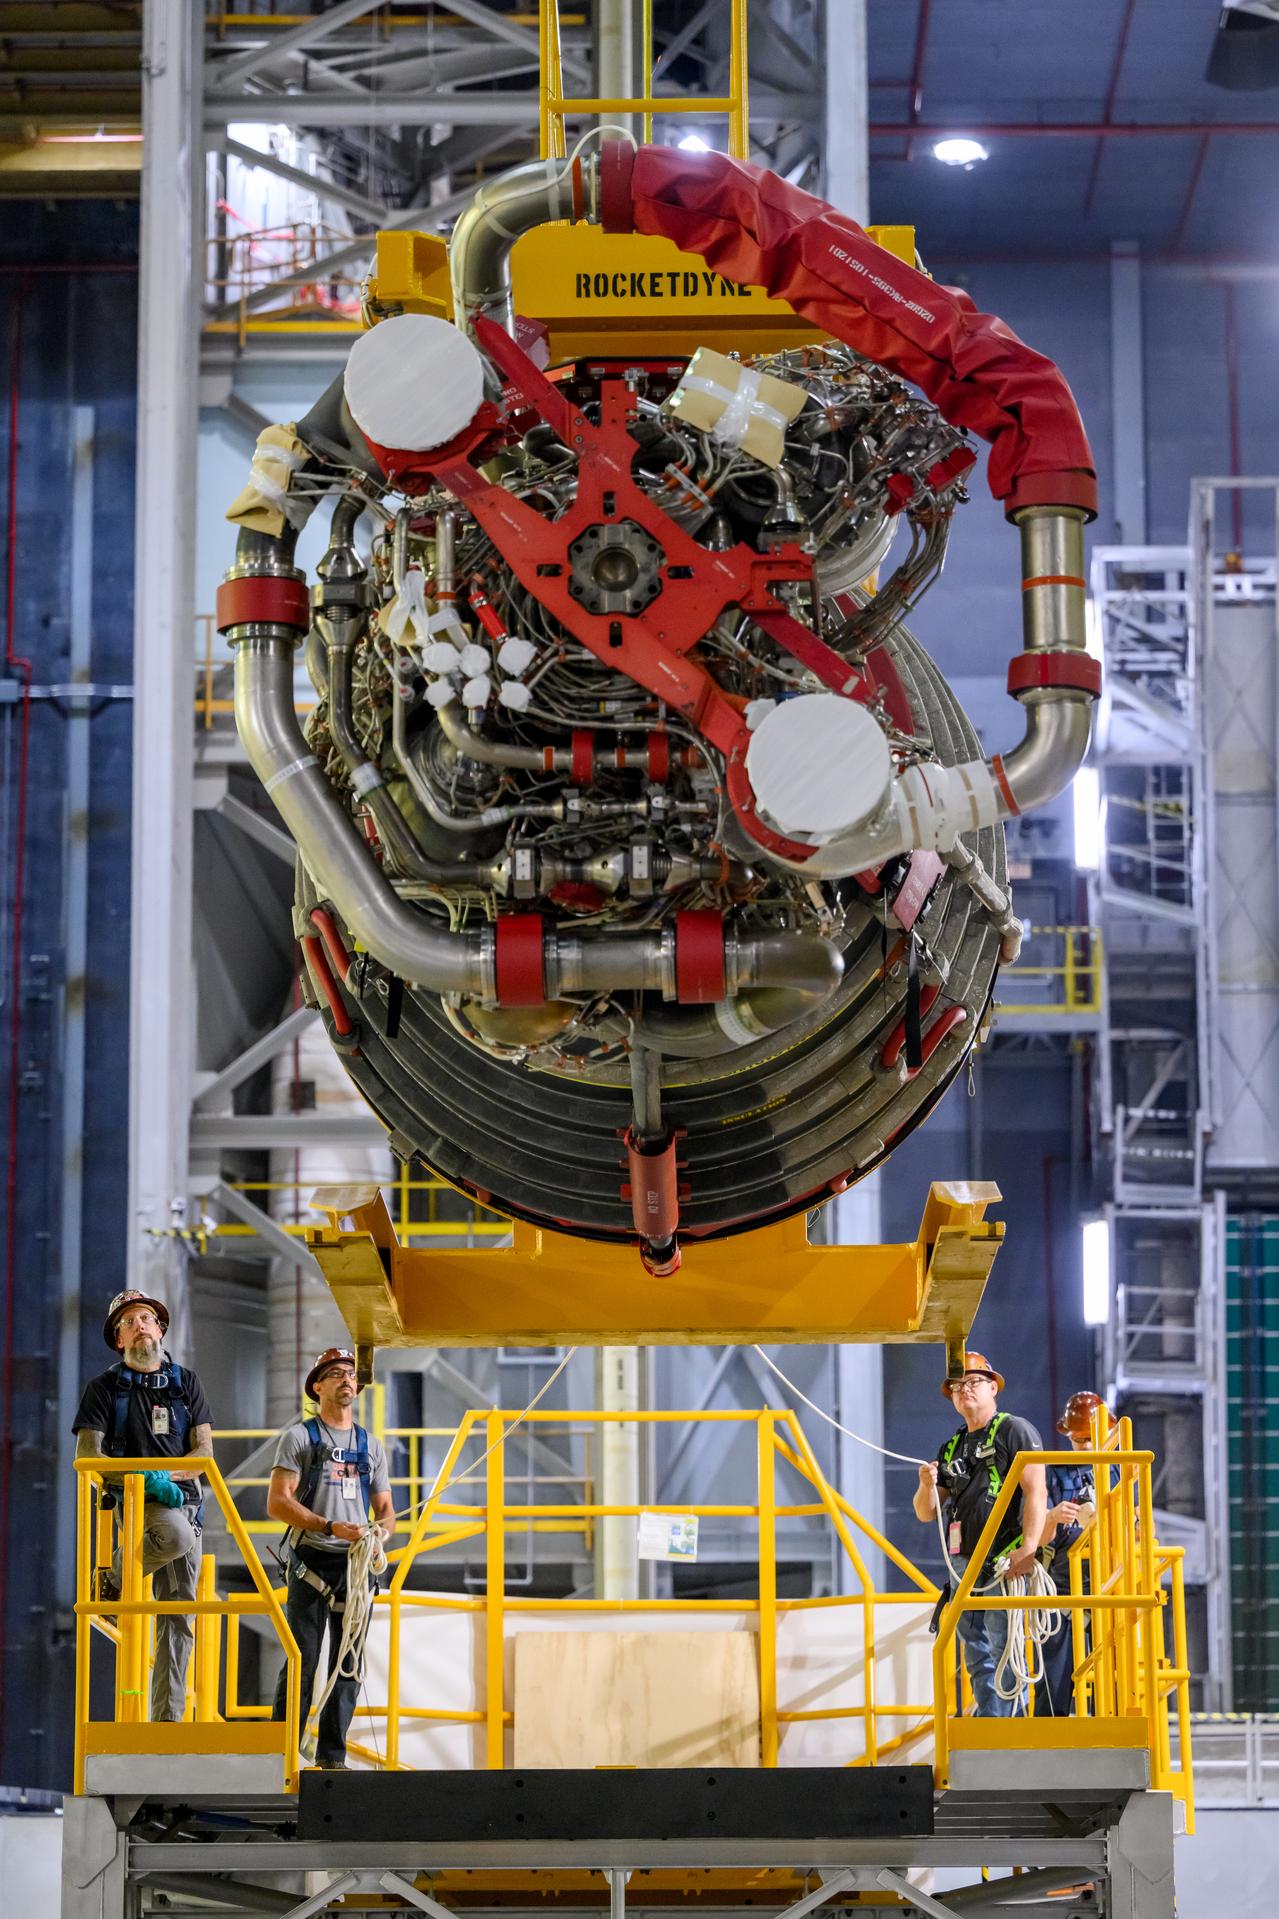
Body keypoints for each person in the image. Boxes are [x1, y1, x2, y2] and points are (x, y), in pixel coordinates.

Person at [71, 1289, 214, 1721]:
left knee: (179, 1613)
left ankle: (166, 1721)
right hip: (136, 1503)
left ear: (161, 1329)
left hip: (186, 1500)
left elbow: (203, 1452)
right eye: (129, 1322)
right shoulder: (103, 1388)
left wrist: (168, 1476)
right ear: (119, 1339)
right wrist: (142, 1478)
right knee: (173, 1535)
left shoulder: (185, 1383)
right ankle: (115, 1576)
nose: (140, 1326)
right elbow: (88, 1456)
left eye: (147, 1318)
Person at [267, 1347, 394, 1770]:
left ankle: (332, 1760)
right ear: (317, 1386)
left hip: (355, 1569)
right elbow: (278, 1503)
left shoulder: (370, 1446)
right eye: (335, 1373)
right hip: (311, 1563)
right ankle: (280, 1752)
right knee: (302, 1659)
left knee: (349, 1665)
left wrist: (379, 1537)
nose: (345, 1380)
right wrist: (328, 1526)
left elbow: (387, 1512)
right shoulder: (301, 1439)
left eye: (350, 1374)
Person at [913, 1350, 1048, 1717]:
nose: (964, 1390)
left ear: (992, 1387)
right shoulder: (953, 1446)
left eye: (973, 1382)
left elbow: (1037, 1490)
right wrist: (927, 1485)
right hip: (963, 1562)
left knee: (1004, 1641)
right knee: (974, 1644)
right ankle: (992, 1719)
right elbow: (926, 1512)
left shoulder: (1014, 1430)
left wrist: (1030, 1547)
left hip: (1004, 1555)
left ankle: (1011, 1725)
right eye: (958, 1386)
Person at [1034, 1390, 1105, 1718]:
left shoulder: (1122, 1470)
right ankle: (1048, 1750)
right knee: (1053, 1683)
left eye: (1091, 1437)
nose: (1086, 1445)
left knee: (1110, 1687)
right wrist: (1052, 1517)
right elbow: (1037, 1537)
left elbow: (1138, 1527)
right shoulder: (1054, 1471)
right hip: (1060, 1592)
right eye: (1079, 1439)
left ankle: (1107, 1742)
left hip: (1108, 1592)